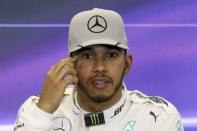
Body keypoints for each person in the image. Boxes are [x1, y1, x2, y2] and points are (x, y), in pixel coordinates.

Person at [14, 8, 184, 131]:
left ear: (127, 64)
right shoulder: (35, 109)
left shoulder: (158, 117)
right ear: (70, 64)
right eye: (88, 56)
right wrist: (43, 110)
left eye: (111, 55)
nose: (100, 67)